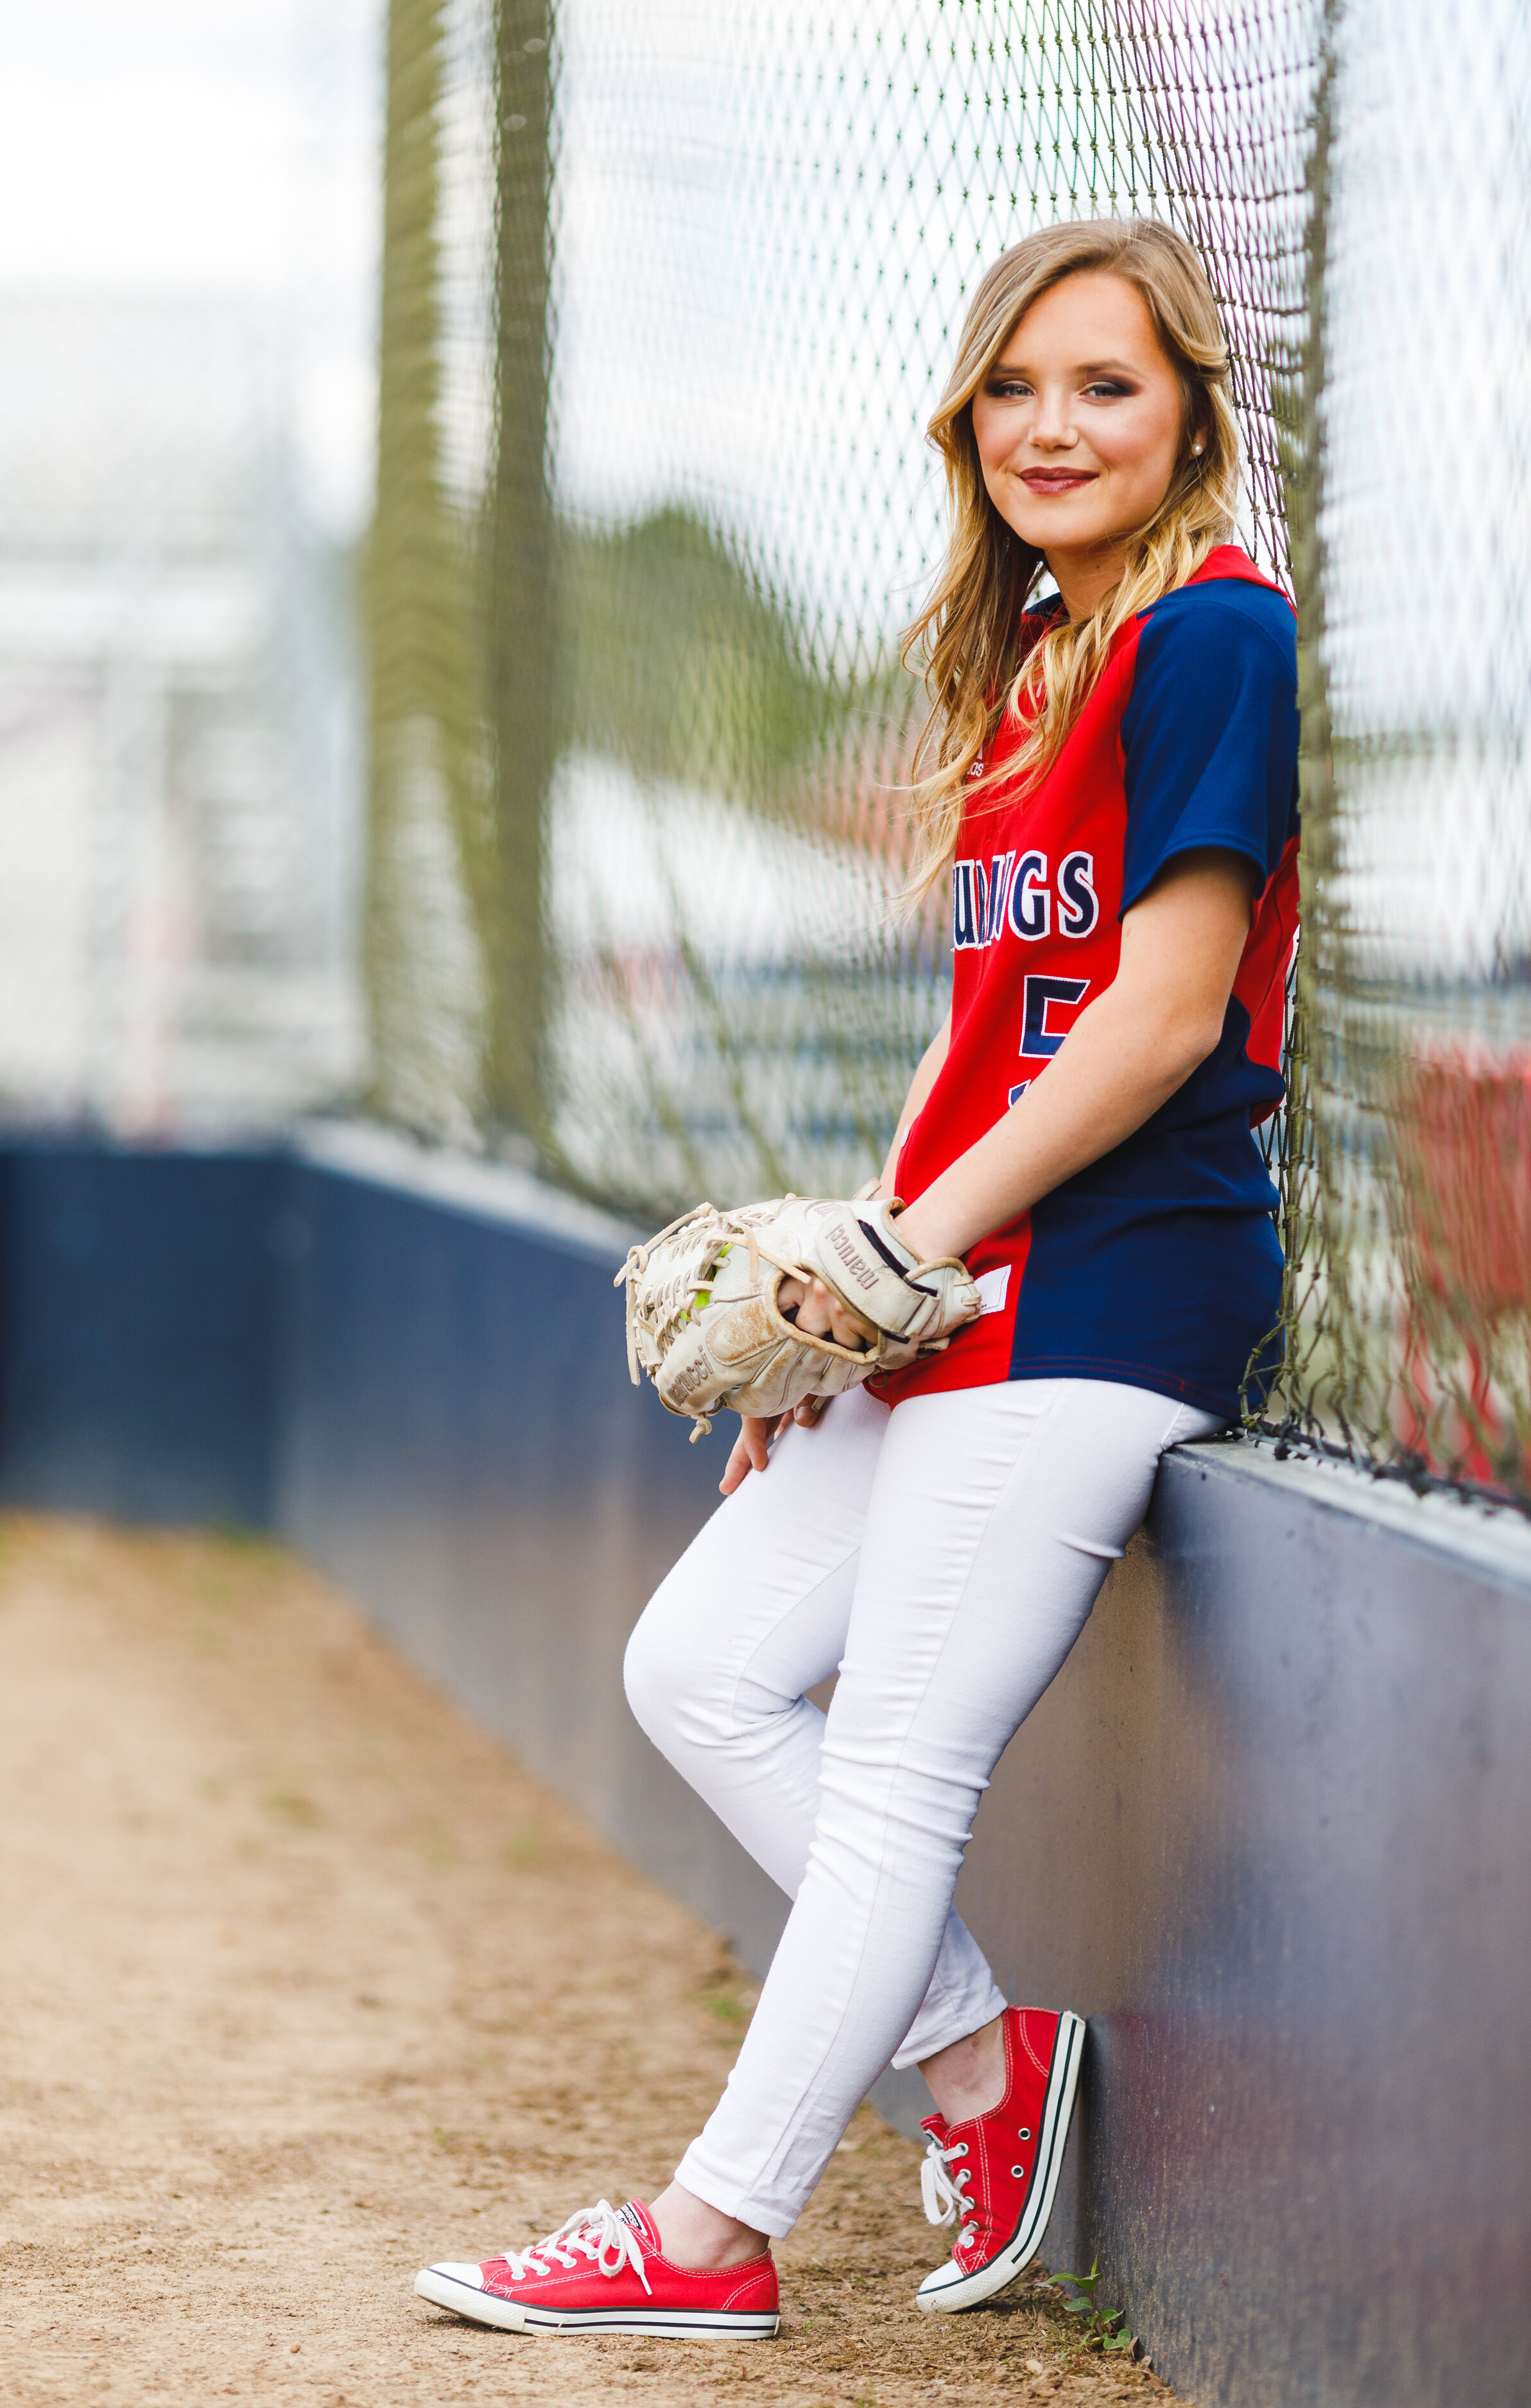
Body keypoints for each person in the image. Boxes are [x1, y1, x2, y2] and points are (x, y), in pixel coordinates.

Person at [415, 214, 1301, 2341]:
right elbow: (989, 1017)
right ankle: (985, 2076)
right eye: (1015, 385)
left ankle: (710, 2242)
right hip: (971, 1284)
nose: (1052, 426)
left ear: (1186, 409)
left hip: (1111, 1287)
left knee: (896, 1761)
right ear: (964, 416)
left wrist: (926, 1243)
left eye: (1105, 383)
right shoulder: (1040, 655)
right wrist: (852, 1298)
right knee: (700, 1666)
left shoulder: (1210, 634)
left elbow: (1161, 1018)